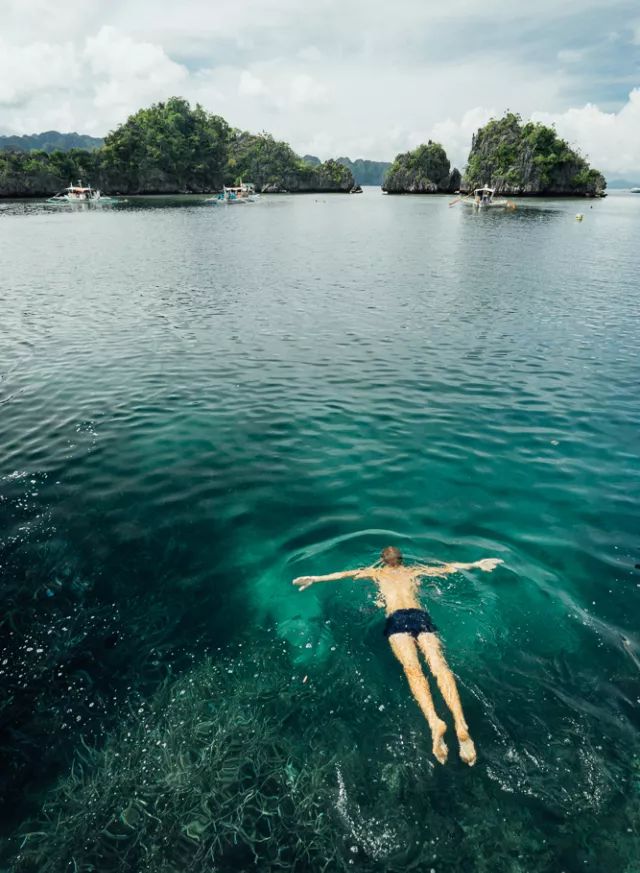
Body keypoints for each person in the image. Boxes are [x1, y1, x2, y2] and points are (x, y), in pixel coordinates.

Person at [293, 546, 503, 766]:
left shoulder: (375, 573)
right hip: (420, 616)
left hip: (396, 619)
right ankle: (460, 723)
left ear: (382, 560)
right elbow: (448, 568)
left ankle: (434, 722)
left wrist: (315, 578)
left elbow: (344, 574)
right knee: (440, 667)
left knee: (413, 670)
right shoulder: (414, 570)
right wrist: (477, 564)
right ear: (401, 559)